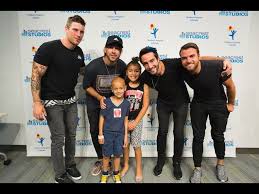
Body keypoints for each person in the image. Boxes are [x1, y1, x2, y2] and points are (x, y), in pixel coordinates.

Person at [138, 46, 232, 180]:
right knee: (162, 132)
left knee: (178, 132)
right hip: (163, 103)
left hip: (180, 102)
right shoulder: (145, 76)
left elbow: (199, 59)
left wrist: (223, 60)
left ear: (158, 58)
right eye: (145, 63)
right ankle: (161, 160)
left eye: (152, 60)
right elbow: (132, 81)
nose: (150, 65)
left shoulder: (173, 64)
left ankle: (177, 163)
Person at [31, 15, 86, 183]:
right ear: (66, 28)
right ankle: (60, 174)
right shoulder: (48, 48)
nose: (78, 34)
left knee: (71, 136)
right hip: (51, 102)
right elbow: (35, 76)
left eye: (82, 31)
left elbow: (84, 72)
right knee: (58, 138)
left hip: (70, 101)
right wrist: (36, 102)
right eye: (75, 30)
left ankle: (70, 165)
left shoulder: (78, 52)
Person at [179, 42, 236, 183]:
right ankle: (197, 168)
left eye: (192, 56)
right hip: (199, 104)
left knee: (218, 135)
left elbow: (231, 86)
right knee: (198, 137)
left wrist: (230, 103)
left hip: (218, 103)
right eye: (184, 58)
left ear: (199, 56)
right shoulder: (182, 67)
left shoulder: (216, 67)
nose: (188, 60)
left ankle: (220, 165)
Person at [82, 35, 126, 176]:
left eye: (117, 49)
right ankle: (101, 160)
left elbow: (126, 85)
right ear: (105, 49)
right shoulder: (93, 66)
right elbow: (86, 86)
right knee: (96, 131)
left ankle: (113, 160)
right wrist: (100, 97)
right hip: (96, 104)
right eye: (111, 47)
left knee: (116, 131)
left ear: (121, 52)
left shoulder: (123, 66)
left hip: (116, 106)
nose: (114, 51)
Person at [120, 57, 150, 183]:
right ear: (126, 72)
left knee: (136, 145)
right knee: (125, 144)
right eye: (131, 71)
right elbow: (119, 104)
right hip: (124, 121)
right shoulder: (123, 85)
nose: (133, 73)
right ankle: (126, 165)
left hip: (136, 121)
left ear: (140, 72)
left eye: (137, 71)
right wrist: (126, 122)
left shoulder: (144, 86)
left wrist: (136, 122)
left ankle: (138, 169)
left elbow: (145, 105)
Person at [98, 77, 130, 183]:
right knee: (106, 155)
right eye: (116, 88)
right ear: (112, 89)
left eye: (121, 88)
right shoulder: (106, 102)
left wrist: (125, 136)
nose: (118, 91)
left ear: (125, 88)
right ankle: (105, 173)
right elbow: (102, 118)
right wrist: (100, 134)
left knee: (117, 155)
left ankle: (116, 173)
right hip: (107, 133)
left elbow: (126, 120)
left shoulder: (126, 104)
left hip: (120, 134)